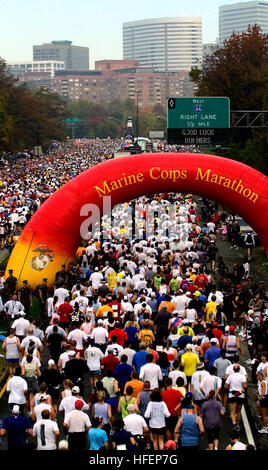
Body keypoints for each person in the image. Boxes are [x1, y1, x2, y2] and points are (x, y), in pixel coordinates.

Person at [224, 364, 248, 431]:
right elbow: (245, 386)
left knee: (232, 412)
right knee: (239, 411)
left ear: (233, 370)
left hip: (232, 395)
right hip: (240, 394)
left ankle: (234, 423)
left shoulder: (230, 377)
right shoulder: (243, 377)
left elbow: (226, 386)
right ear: (239, 370)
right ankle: (238, 425)